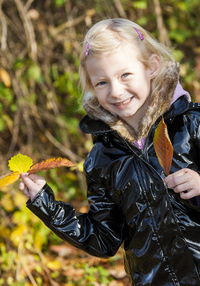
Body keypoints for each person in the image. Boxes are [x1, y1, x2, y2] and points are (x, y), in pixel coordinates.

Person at [19, 18, 200, 285]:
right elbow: (103, 240)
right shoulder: (102, 159)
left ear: (151, 67)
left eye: (125, 75)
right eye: (102, 82)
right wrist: (45, 204)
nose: (116, 91)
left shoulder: (191, 124)